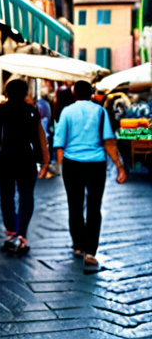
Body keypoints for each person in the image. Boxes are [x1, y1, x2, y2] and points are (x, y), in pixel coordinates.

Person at [54, 80, 126, 273]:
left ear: (74, 92)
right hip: (96, 164)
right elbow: (109, 142)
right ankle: (90, 252)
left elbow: (59, 143)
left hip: (72, 163)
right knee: (94, 206)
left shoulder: (67, 112)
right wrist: (120, 167)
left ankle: (78, 244)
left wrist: (61, 166)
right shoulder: (100, 112)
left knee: (74, 204)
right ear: (92, 93)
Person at [0, 79, 49, 256]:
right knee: (27, 196)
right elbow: (37, 139)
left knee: (6, 195)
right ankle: (22, 234)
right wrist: (41, 160)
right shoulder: (32, 111)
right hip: (26, 158)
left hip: (6, 157)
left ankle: (11, 231)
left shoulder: (1, 110)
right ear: (25, 92)